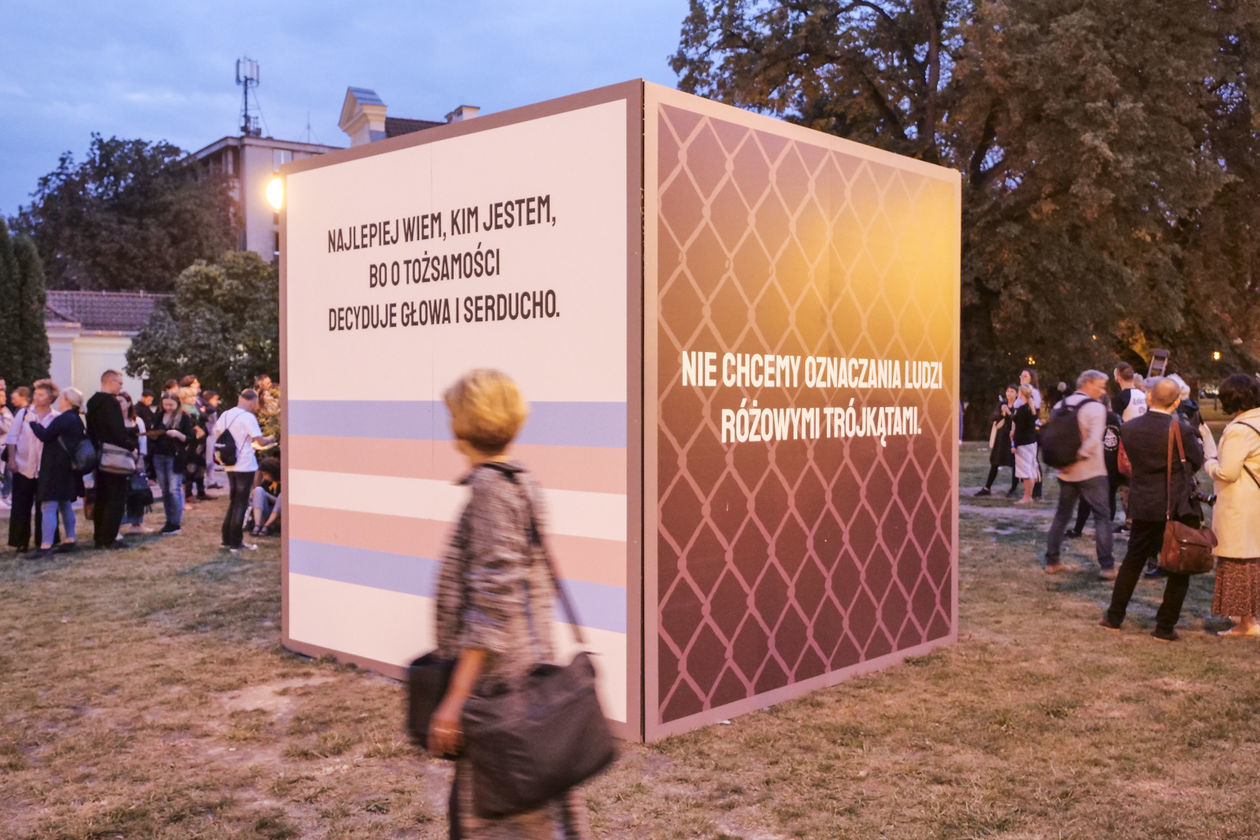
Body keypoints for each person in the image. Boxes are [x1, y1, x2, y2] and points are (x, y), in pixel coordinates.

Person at [428, 369, 592, 839]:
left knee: (500, 819)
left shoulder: (491, 491)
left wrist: (455, 699)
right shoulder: (521, 481)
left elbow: (493, 601)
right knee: (532, 812)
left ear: (462, 427)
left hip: (500, 690)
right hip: (528, 673)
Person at [1100, 377, 1205, 641]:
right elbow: (1196, 461)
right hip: (1176, 504)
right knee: (1179, 566)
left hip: (1143, 502)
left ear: (1149, 398)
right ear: (1177, 402)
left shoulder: (1129, 428)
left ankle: (1114, 616)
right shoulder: (1181, 429)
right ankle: (1164, 626)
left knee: (1133, 560)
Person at [1043, 370, 1117, 578]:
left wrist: (1063, 463)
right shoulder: (1096, 408)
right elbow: (1093, 441)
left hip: (1066, 473)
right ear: (1088, 383)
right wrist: (1076, 459)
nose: (1103, 391)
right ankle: (1107, 566)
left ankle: (1052, 561)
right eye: (1100, 386)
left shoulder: (1060, 405)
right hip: (1092, 472)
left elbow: (1052, 438)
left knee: (1062, 516)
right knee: (1102, 517)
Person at [1204, 374, 1260, 637]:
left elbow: (1227, 472)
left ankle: (1245, 623)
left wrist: (1209, 463)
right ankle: (1249, 618)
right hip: (1253, 501)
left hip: (1239, 503)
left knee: (1238, 561)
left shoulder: (1240, 430)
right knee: (1251, 560)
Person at [27, 388, 87, 558]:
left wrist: (33, 423)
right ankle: (70, 539)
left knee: (49, 505)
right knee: (65, 504)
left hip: (54, 468)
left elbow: (45, 435)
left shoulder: (64, 418)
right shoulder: (77, 419)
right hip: (68, 468)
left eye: (62, 399)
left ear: (68, 401)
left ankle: (46, 546)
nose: (59, 402)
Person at [213, 389, 274, 552]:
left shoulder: (225, 414)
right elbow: (260, 442)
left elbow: (218, 434)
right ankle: (236, 542)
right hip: (245, 464)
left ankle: (226, 540)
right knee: (241, 503)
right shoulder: (248, 417)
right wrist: (271, 438)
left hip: (229, 462)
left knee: (233, 501)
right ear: (253, 401)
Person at [6, 380, 58, 552]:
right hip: (23, 465)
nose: (36, 397)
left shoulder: (56, 417)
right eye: (35, 394)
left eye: (41, 394)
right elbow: (12, 437)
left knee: (45, 506)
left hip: (46, 468)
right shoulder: (24, 414)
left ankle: (45, 540)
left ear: (50, 398)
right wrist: (12, 459)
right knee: (21, 505)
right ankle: (20, 541)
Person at [1067, 393, 1123, 537]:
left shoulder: (1094, 418)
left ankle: (1078, 529)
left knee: (1086, 498)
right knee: (1110, 497)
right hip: (1113, 462)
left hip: (1096, 461)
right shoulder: (1116, 418)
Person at [86, 370, 130, 549]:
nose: (121, 386)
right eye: (119, 383)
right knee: (116, 498)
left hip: (98, 454)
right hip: (114, 455)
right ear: (110, 382)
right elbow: (117, 431)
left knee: (102, 497)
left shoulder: (92, 401)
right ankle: (109, 538)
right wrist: (131, 446)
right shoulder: (111, 402)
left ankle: (99, 537)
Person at [147, 392, 193, 535]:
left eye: (171, 405)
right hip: (159, 455)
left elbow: (190, 438)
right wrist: (153, 435)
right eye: (165, 404)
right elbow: (152, 432)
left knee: (174, 489)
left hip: (175, 456)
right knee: (165, 490)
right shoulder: (158, 416)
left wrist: (178, 434)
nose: (168, 408)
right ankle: (169, 520)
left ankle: (175, 523)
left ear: (177, 404)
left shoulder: (183, 417)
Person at [976, 385, 1019, 497]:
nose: (1009, 393)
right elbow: (993, 418)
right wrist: (1001, 413)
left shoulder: (1018, 405)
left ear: (1017, 394)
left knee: (1014, 463)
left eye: (1012, 391)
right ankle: (987, 487)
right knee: (995, 462)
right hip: (1001, 437)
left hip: (1012, 437)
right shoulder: (1002, 404)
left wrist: (1009, 412)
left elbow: (1017, 420)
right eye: (1008, 391)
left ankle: (1013, 489)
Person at [118, 392, 149, 536]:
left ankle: (136, 523)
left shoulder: (137, 421)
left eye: (121, 401)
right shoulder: (113, 420)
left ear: (129, 403)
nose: (119, 404)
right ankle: (118, 523)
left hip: (135, 459)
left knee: (137, 491)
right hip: (119, 459)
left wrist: (141, 457)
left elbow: (143, 440)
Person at [1011, 384, 1040, 504]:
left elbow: (1019, 430)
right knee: (1031, 469)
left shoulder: (1022, 410)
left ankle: (1027, 497)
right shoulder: (1031, 408)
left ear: (1021, 393)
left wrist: (1014, 445)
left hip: (1023, 443)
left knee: (1025, 472)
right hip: (1032, 442)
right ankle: (1030, 496)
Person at [179, 385, 208, 502]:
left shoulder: (195, 409)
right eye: (190, 397)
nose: (193, 399)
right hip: (191, 444)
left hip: (200, 443)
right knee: (190, 469)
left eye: (194, 397)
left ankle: (201, 491)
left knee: (200, 467)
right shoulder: (183, 411)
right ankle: (188, 494)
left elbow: (205, 417)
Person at [249, 457, 281, 536]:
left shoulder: (283, 482)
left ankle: (267, 526)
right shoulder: (267, 482)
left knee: (282, 496)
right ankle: (257, 525)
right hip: (266, 511)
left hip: (278, 513)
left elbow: (280, 502)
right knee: (258, 490)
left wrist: (267, 495)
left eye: (265, 474)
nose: (264, 477)